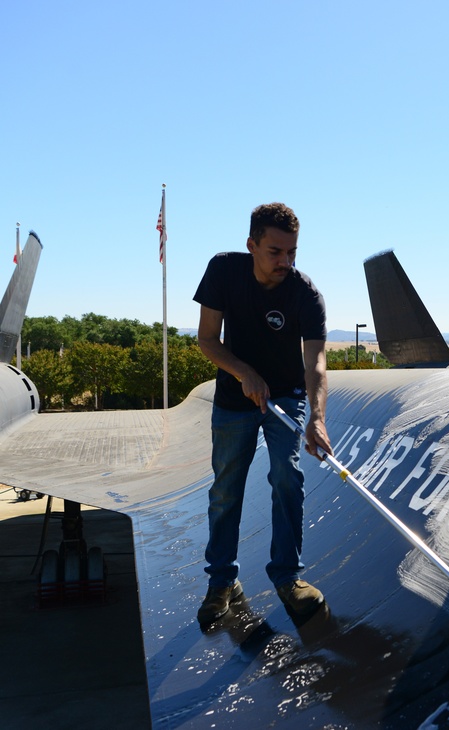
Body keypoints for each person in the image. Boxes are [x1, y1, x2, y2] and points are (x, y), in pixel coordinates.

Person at [194, 202, 331, 624]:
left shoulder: (305, 294)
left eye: (292, 253)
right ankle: (222, 582)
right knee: (226, 489)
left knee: (288, 477)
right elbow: (206, 340)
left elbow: (317, 364)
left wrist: (317, 418)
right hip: (236, 397)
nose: (285, 262)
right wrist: (244, 372)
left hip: (286, 395)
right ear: (252, 245)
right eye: (275, 252)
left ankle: (288, 577)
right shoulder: (223, 271)